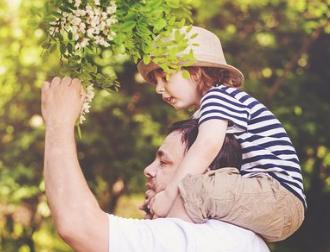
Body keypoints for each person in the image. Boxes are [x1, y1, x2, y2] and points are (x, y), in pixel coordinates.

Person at [41, 76, 269, 252]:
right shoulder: (239, 238)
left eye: (164, 162)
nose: (148, 170)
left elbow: (78, 224)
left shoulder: (204, 239)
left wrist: (58, 121)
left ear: (204, 174)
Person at [137, 26, 306, 241]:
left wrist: (169, 194)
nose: (158, 89)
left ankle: (166, 241)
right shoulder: (219, 103)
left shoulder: (218, 97)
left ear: (195, 72)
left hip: (276, 195)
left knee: (192, 189)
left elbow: (207, 146)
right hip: (272, 201)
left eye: (165, 78)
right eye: (156, 82)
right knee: (199, 190)